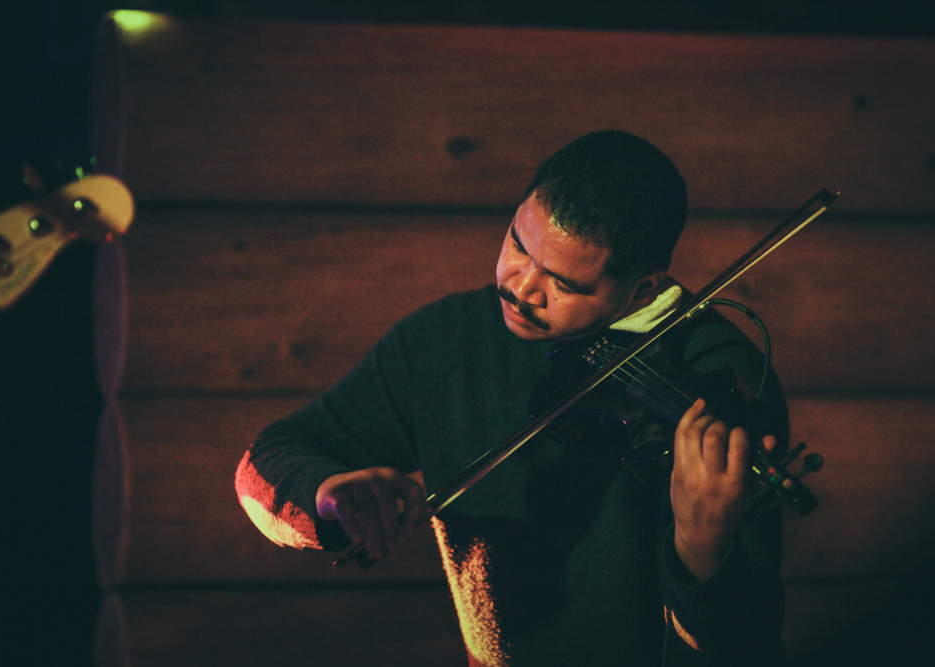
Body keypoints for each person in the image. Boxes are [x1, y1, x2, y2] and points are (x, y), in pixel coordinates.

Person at [235, 130, 789, 666]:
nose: (521, 288)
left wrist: (702, 549)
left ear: (643, 290)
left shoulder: (720, 380)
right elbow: (265, 464)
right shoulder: (448, 337)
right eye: (518, 246)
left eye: (564, 284)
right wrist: (330, 494)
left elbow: (744, 645)